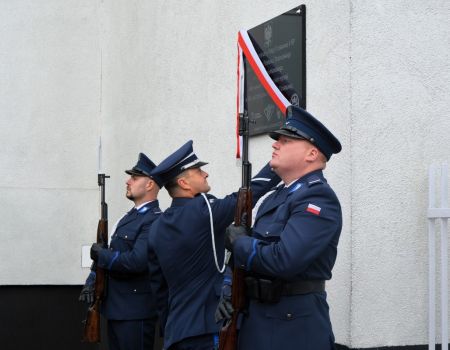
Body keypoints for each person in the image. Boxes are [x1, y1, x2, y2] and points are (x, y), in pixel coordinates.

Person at [224, 105, 342, 350]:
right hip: (256, 319)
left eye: (286, 141)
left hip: (292, 326)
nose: (275, 144)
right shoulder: (277, 197)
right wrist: (227, 286)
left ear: (311, 154)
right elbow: (247, 256)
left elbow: (285, 259)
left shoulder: (318, 198)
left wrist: (240, 243)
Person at [147, 140, 280, 350]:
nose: (205, 174)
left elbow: (159, 288)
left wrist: (171, 326)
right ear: (184, 183)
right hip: (208, 329)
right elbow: (250, 192)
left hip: (177, 331)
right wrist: (278, 163)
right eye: (198, 171)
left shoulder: (156, 227)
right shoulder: (204, 211)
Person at [79, 152, 163, 350]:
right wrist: (92, 278)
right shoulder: (127, 218)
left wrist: (101, 255)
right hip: (116, 308)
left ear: (150, 184)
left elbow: (137, 261)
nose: (128, 181)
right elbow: (108, 249)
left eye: (134, 178)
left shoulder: (154, 219)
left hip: (135, 312)